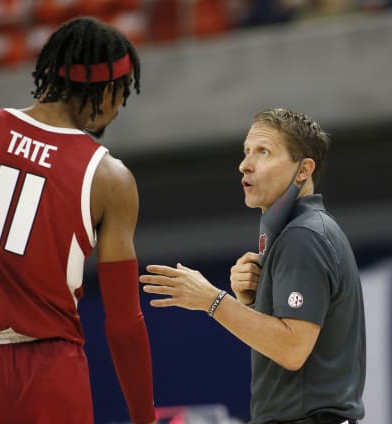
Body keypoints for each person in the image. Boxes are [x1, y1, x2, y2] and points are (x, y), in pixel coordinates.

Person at [0, 17, 155, 424]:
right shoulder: (111, 179)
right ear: (107, 91)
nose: (119, 108)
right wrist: (145, 417)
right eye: (124, 94)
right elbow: (124, 321)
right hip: (53, 370)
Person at [140, 108, 366, 424]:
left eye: (263, 152)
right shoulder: (301, 231)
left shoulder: (304, 235)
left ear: (303, 171)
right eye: (246, 152)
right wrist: (253, 302)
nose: (244, 165)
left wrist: (211, 301)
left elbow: (291, 348)